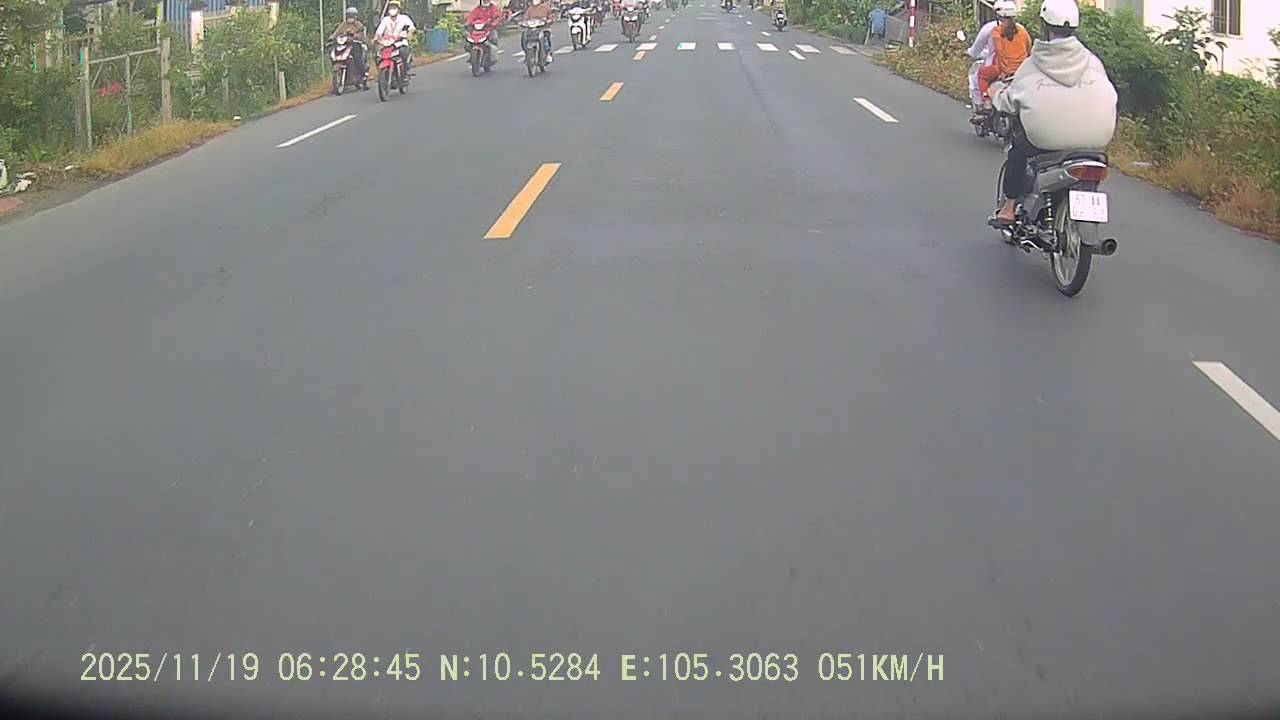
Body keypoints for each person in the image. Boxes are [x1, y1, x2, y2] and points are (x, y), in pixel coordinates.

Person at [988, 0, 1118, 226]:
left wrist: (994, 93)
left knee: (1018, 150)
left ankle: (1008, 209)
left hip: (1045, 141)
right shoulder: (1093, 62)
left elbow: (1009, 103)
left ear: (1044, 26)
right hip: (1094, 142)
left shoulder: (1032, 65)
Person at [975, 0, 1030, 121]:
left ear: (999, 16)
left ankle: (987, 102)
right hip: (1022, 70)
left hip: (1005, 70)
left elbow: (1000, 53)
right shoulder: (1022, 31)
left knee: (982, 74)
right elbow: (1028, 48)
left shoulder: (996, 31)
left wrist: (1004, 71)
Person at [964, 0, 1012, 109]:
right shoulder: (1021, 30)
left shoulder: (991, 29)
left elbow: (976, 50)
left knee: (977, 78)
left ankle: (983, 104)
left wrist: (969, 52)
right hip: (1017, 68)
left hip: (998, 67)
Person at [374, 0, 416, 82]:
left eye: (394, 7)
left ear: (398, 9)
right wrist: (376, 37)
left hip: (400, 43)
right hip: (387, 43)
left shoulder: (404, 18)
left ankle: (404, 74)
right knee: (377, 56)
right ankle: (381, 74)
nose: (392, 9)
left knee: (403, 54)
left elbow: (411, 28)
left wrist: (409, 34)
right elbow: (379, 31)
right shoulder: (385, 20)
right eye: (391, 7)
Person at [331, 7, 369, 87]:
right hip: (345, 45)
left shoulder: (359, 25)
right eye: (349, 16)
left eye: (352, 16)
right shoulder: (343, 25)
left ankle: (361, 75)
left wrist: (354, 35)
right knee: (334, 53)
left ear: (355, 16)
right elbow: (337, 32)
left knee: (357, 57)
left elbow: (362, 35)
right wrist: (332, 37)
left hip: (355, 44)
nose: (350, 18)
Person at [466, 0, 507, 67]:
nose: (485, 1)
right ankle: (471, 56)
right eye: (484, 0)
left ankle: (492, 55)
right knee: (468, 42)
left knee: (494, 38)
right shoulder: (477, 9)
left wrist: (494, 22)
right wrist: (468, 23)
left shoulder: (493, 8)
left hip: (489, 29)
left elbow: (497, 17)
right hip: (477, 30)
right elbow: (471, 18)